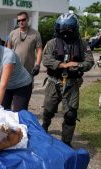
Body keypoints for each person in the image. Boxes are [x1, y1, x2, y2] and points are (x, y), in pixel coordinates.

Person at [41, 13, 94, 147]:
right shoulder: (52, 43)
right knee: (48, 109)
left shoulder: (82, 44)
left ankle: (66, 142)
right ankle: (44, 127)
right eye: (62, 28)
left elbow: (89, 61)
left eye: (68, 29)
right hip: (54, 81)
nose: (65, 31)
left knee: (70, 114)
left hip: (71, 83)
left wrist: (78, 66)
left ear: (74, 28)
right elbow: (46, 59)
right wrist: (63, 65)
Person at [7, 11, 43, 76]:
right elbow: (8, 50)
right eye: (19, 20)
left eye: (23, 19)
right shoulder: (12, 33)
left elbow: (39, 50)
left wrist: (37, 65)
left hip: (29, 69)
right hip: (14, 68)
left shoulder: (35, 34)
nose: (21, 22)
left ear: (28, 19)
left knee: (28, 86)